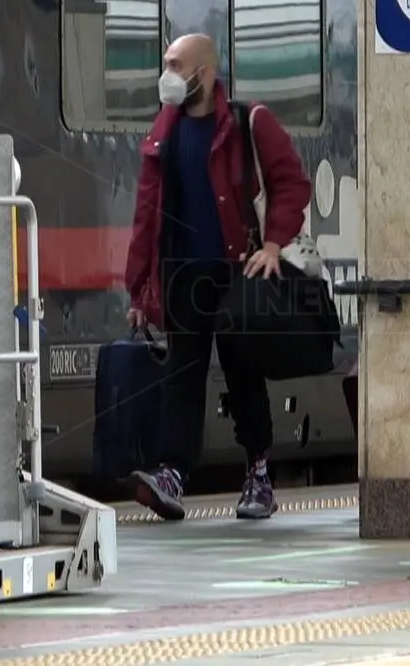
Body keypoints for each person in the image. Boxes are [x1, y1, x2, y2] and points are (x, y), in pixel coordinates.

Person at [124, 34, 311, 522]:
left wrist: (272, 245)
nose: (166, 73)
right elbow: (148, 214)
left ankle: (258, 472)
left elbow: (292, 182)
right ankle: (172, 473)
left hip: (237, 270)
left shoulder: (251, 122)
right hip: (182, 274)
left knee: (241, 372)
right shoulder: (164, 132)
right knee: (180, 377)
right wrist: (139, 289)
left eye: (174, 64)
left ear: (203, 73)